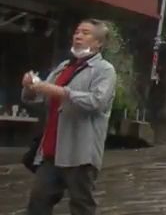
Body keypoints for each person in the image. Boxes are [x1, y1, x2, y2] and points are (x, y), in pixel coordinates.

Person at [21, 19, 117, 215]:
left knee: (81, 205)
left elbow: (96, 102)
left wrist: (60, 91)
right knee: (37, 202)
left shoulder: (104, 70)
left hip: (80, 152)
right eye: (76, 31)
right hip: (51, 151)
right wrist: (30, 87)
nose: (78, 36)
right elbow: (40, 96)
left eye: (86, 32)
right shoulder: (64, 66)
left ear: (98, 43)